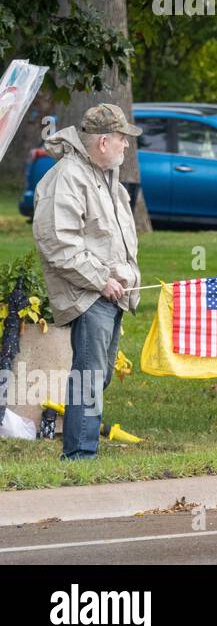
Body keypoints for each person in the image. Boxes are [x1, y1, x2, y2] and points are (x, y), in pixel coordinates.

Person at [31, 104, 142, 460]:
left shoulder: (105, 174)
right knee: (89, 377)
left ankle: (81, 449)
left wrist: (125, 280)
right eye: (123, 139)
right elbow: (57, 243)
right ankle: (79, 455)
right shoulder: (68, 176)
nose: (127, 146)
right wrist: (101, 281)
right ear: (104, 141)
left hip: (110, 293)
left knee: (99, 375)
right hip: (89, 293)